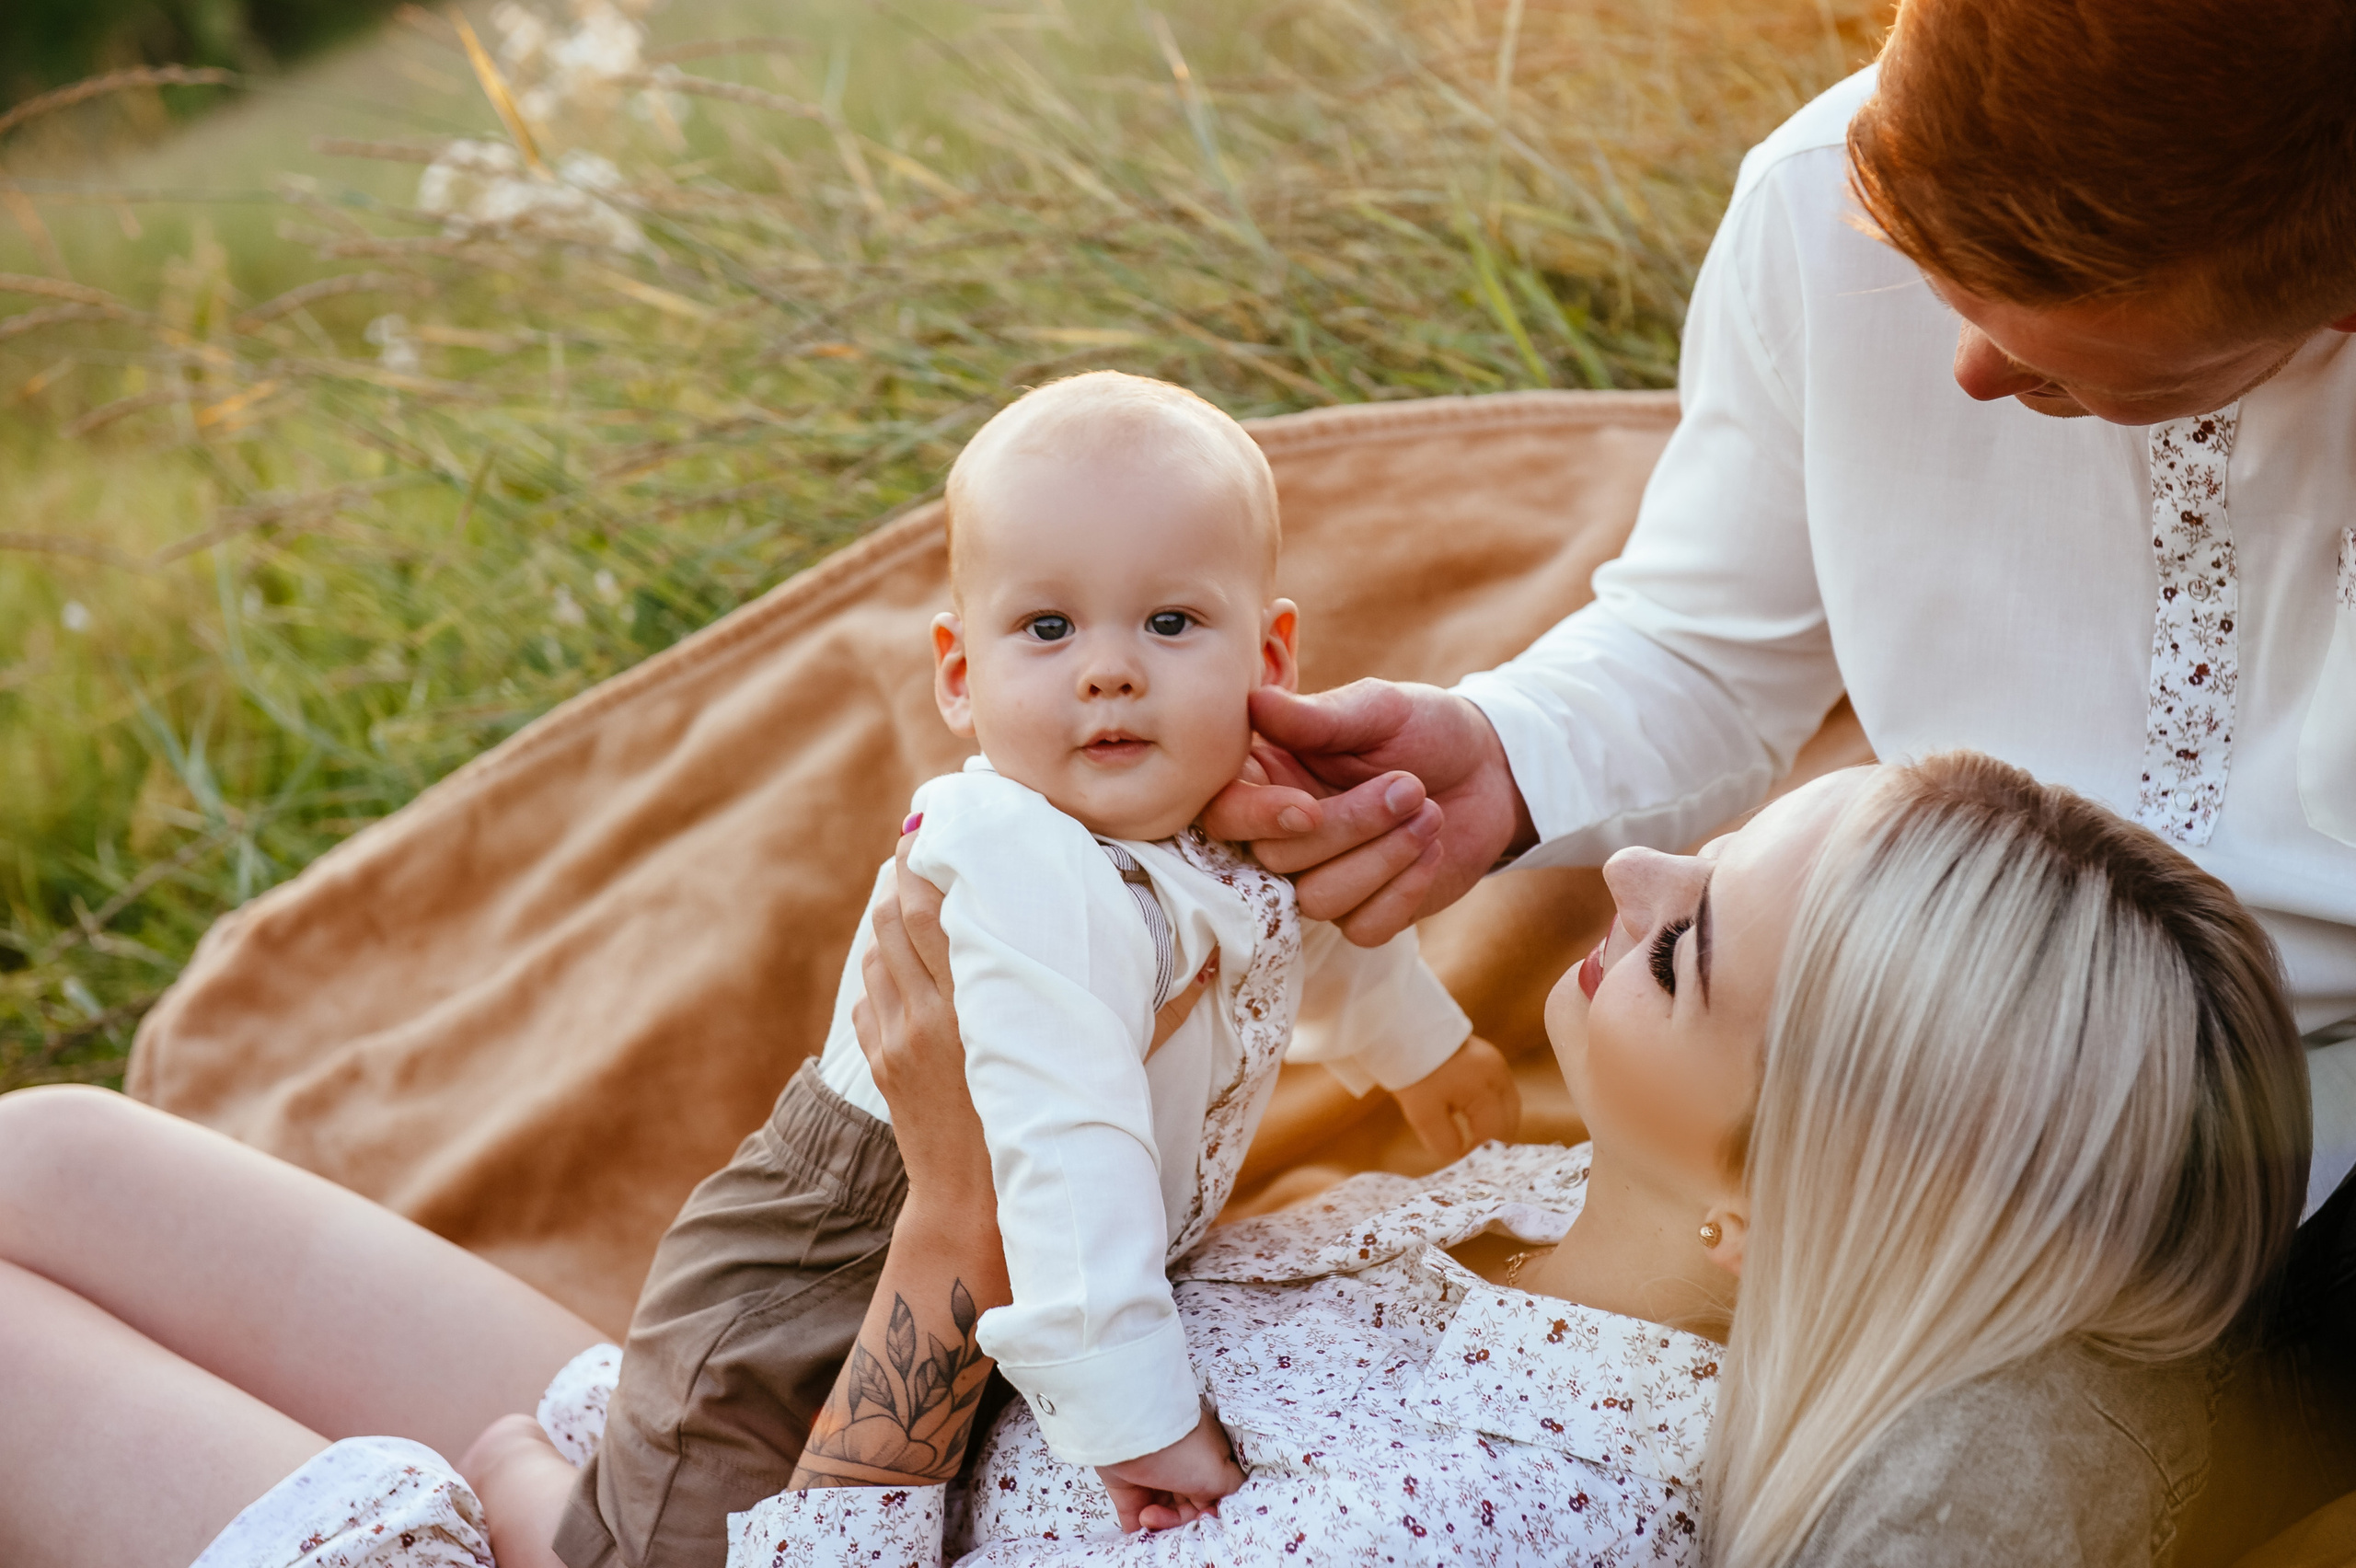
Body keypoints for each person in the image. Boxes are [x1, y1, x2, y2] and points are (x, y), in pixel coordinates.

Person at [0, 752, 2304, 1567]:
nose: (1619, 885)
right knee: (56, 1149)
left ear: (1770, 1206)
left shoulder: (1509, 1507)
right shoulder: (1533, 1222)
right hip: (727, 1464)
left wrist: (949, 1201)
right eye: (1695, 848)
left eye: (1692, 946)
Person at [1186, 6, 2356, 1541]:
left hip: (2297, 1126)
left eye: (2064, 358)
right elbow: (1702, 639)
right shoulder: (1819, 190)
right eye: (1935, 285)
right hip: (1875, 988)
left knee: (1963, 1476)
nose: (1970, 368)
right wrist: (1503, 762)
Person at [529, 370, 1522, 1568]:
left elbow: (1307, 934)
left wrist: (1425, 1051)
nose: (1108, 670)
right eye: (1048, 629)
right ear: (960, 673)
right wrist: (1137, 1421)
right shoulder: (1009, 858)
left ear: (1272, 656)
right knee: (660, 1554)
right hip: (810, 1287)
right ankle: (516, 1486)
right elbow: (1065, 1143)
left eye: (1169, 623)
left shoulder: (1230, 818)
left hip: (1014, 1291)